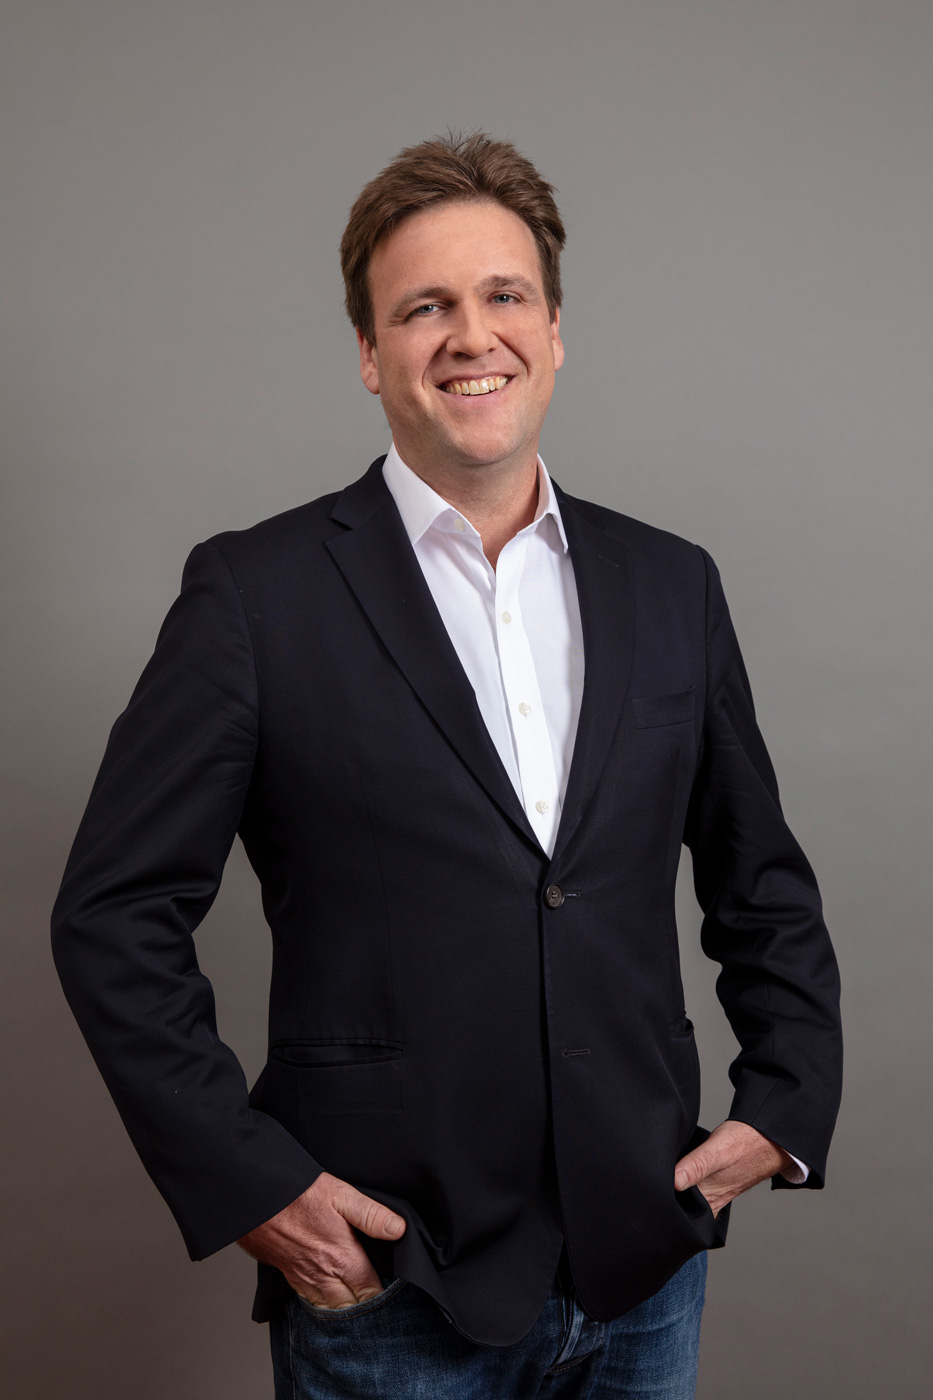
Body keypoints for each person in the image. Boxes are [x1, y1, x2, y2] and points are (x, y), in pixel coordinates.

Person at [51, 132, 842, 1399]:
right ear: (372, 354)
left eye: (503, 296)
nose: (472, 336)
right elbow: (111, 915)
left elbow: (763, 881)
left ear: (555, 329)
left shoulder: (671, 583)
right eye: (426, 307)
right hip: (388, 1282)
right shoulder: (255, 595)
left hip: (646, 1263)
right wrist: (257, 1183)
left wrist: (789, 1098)